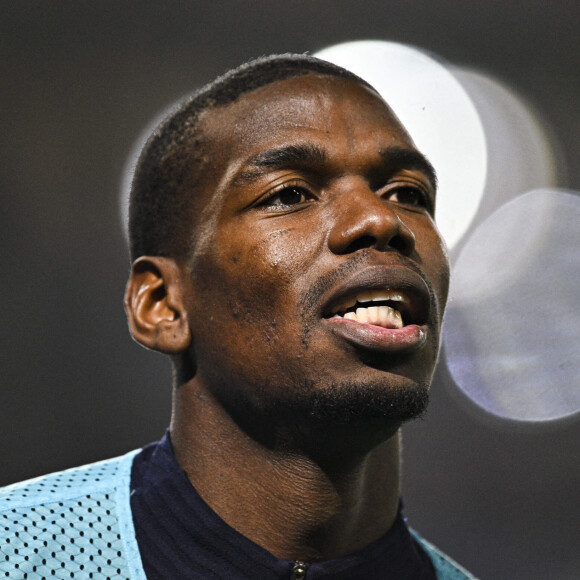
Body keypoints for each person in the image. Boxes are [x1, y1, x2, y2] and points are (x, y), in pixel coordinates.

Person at [0, 54, 476, 579]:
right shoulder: (19, 552)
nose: (380, 219)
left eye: (408, 194)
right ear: (162, 305)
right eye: (290, 193)